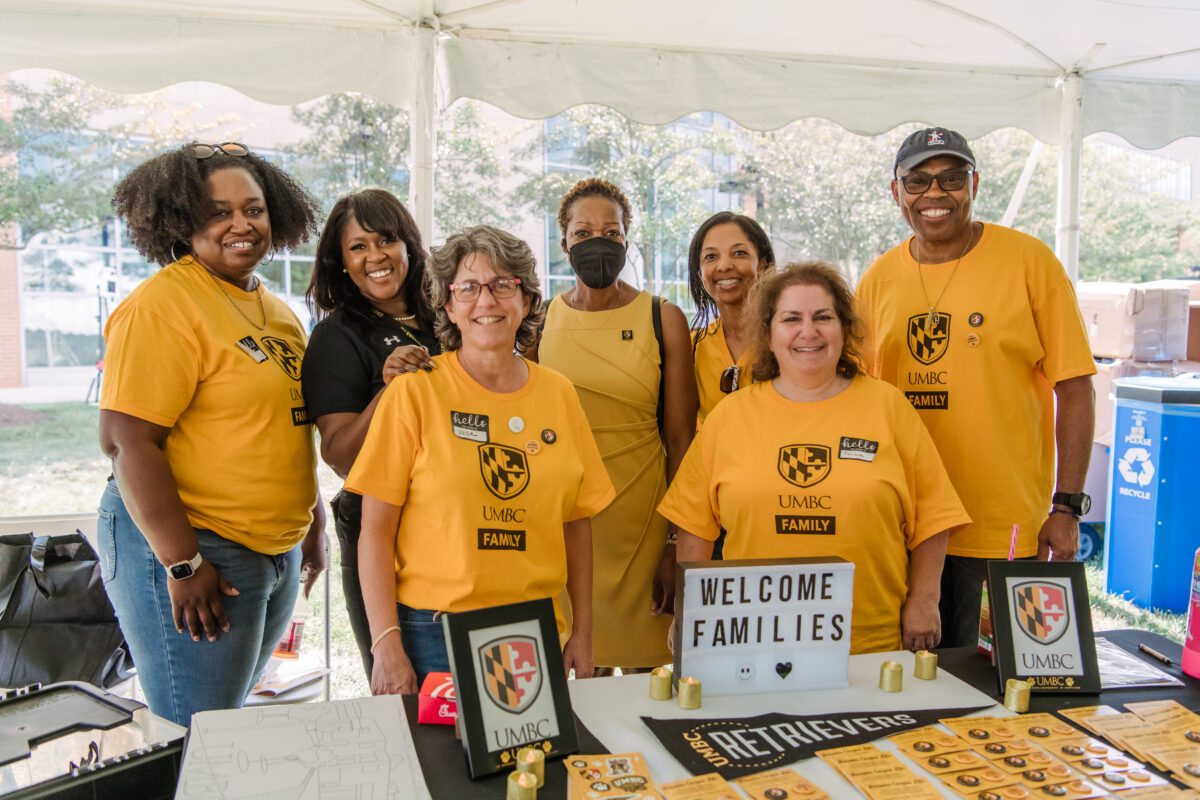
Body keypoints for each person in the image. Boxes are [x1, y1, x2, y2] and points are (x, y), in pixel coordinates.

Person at [100, 142, 326, 726]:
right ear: (181, 220)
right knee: (198, 737)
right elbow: (127, 441)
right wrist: (182, 564)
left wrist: (312, 520)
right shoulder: (165, 306)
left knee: (227, 730)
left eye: (253, 208)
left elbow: (281, 424)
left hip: (272, 553)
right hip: (198, 547)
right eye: (218, 211)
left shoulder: (277, 312)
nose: (241, 224)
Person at [347, 225, 615, 694]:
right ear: (447, 305)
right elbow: (375, 530)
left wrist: (586, 633)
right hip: (435, 634)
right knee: (440, 767)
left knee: (533, 767)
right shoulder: (414, 393)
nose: (486, 301)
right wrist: (386, 644)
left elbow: (578, 523)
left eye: (502, 285)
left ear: (527, 299)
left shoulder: (559, 394)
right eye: (468, 288)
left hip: (536, 632)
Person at [856, 127, 1096, 648]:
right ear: (895, 192)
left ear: (975, 184)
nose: (935, 194)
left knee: (1008, 684)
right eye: (918, 181)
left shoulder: (1030, 262)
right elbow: (857, 397)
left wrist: (1067, 506)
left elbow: (1075, 388)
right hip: (906, 525)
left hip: (1003, 526)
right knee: (914, 683)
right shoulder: (877, 280)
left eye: (951, 178)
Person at [659, 262, 970, 653]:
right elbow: (694, 528)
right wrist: (692, 609)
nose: (808, 331)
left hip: (869, 644)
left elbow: (933, 518)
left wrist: (925, 602)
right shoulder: (730, 416)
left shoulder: (888, 407)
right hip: (754, 642)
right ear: (768, 333)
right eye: (792, 318)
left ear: (844, 329)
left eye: (823, 317)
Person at [534, 178, 697, 672]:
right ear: (563, 244)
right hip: (565, 522)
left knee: (651, 677)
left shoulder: (661, 317)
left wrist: (676, 543)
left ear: (627, 240)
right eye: (583, 233)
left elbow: (680, 438)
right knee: (579, 671)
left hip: (643, 523)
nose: (598, 242)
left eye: (612, 231)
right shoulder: (537, 321)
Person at [301, 189, 439, 678]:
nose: (375, 256)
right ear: (340, 262)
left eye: (386, 240)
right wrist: (390, 390)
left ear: (409, 245)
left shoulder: (451, 319)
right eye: (358, 247)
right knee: (403, 688)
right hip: (379, 537)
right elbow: (339, 457)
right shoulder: (337, 337)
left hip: (454, 531)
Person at [687, 211, 775, 424]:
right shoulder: (691, 349)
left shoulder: (790, 340)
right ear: (700, 273)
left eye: (739, 253)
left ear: (762, 264)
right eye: (711, 257)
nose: (724, 265)